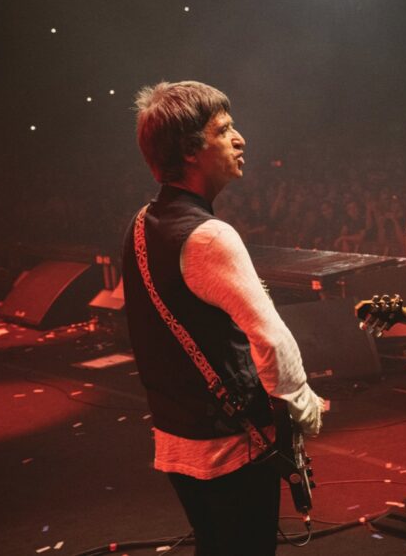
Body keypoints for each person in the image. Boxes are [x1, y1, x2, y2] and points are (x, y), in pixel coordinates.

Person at [121, 81, 324, 555]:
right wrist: (302, 404)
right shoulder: (209, 236)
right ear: (192, 151)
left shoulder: (140, 222)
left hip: (177, 439)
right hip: (232, 447)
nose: (240, 139)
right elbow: (271, 339)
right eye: (225, 129)